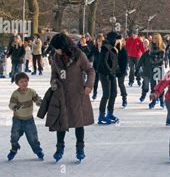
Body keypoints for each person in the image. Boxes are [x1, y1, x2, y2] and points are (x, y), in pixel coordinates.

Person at [48, 33, 95, 161]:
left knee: (79, 123)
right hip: (62, 95)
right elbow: (54, 74)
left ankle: (80, 148)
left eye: (57, 48)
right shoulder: (55, 57)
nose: (55, 51)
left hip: (78, 95)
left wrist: (88, 85)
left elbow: (90, 70)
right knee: (61, 123)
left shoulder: (79, 55)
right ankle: (59, 148)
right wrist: (53, 84)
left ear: (63, 46)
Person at [7, 72, 44, 161]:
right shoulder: (15, 94)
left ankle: (38, 150)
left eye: (26, 81)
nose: (24, 83)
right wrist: (15, 107)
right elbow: (11, 104)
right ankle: (14, 149)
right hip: (17, 120)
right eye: (22, 82)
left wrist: (40, 102)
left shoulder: (31, 92)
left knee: (32, 137)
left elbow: (37, 99)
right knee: (14, 136)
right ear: (17, 84)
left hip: (29, 120)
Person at [97, 31, 121, 125]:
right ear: (112, 39)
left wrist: (116, 71)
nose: (117, 41)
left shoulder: (112, 48)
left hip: (111, 73)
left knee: (114, 93)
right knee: (106, 94)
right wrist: (109, 72)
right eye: (116, 39)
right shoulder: (105, 48)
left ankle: (110, 113)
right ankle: (101, 115)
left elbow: (114, 62)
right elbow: (103, 62)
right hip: (104, 73)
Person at [137, 33, 166, 108]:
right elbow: (146, 57)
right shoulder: (150, 48)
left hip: (159, 68)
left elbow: (161, 59)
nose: (154, 40)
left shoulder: (162, 48)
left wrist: (153, 59)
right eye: (153, 38)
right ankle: (153, 100)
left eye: (156, 39)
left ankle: (161, 100)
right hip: (152, 68)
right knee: (153, 85)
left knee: (160, 85)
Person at [91, 34, 104, 100]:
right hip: (96, 66)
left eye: (100, 41)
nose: (99, 42)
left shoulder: (105, 48)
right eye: (98, 41)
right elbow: (90, 54)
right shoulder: (94, 47)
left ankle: (105, 94)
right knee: (95, 81)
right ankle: (94, 93)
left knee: (103, 81)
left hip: (103, 67)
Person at [116, 38, 128, 108]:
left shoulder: (123, 50)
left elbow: (125, 62)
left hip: (121, 70)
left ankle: (124, 98)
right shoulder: (113, 48)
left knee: (121, 84)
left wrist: (123, 70)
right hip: (112, 70)